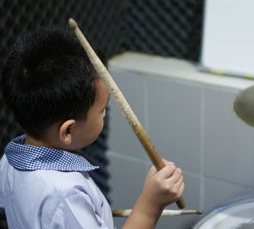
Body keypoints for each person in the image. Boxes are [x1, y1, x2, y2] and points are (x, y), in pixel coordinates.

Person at [0, 27, 184, 228]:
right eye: (102, 109)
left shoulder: (10, 160)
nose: (105, 113)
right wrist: (150, 206)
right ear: (67, 131)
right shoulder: (65, 197)